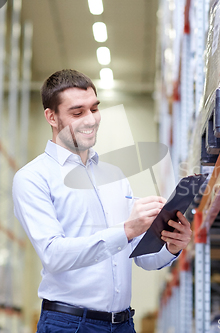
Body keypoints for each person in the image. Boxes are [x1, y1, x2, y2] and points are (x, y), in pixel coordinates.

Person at [12, 69, 192, 333]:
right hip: (70, 325)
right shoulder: (33, 178)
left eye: (94, 109)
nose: (91, 120)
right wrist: (127, 229)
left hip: (122, 324)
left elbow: (142, 258)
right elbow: (53, 255)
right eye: (77, 112)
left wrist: (172, 246)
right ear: (51, 117)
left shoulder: (115, 177)